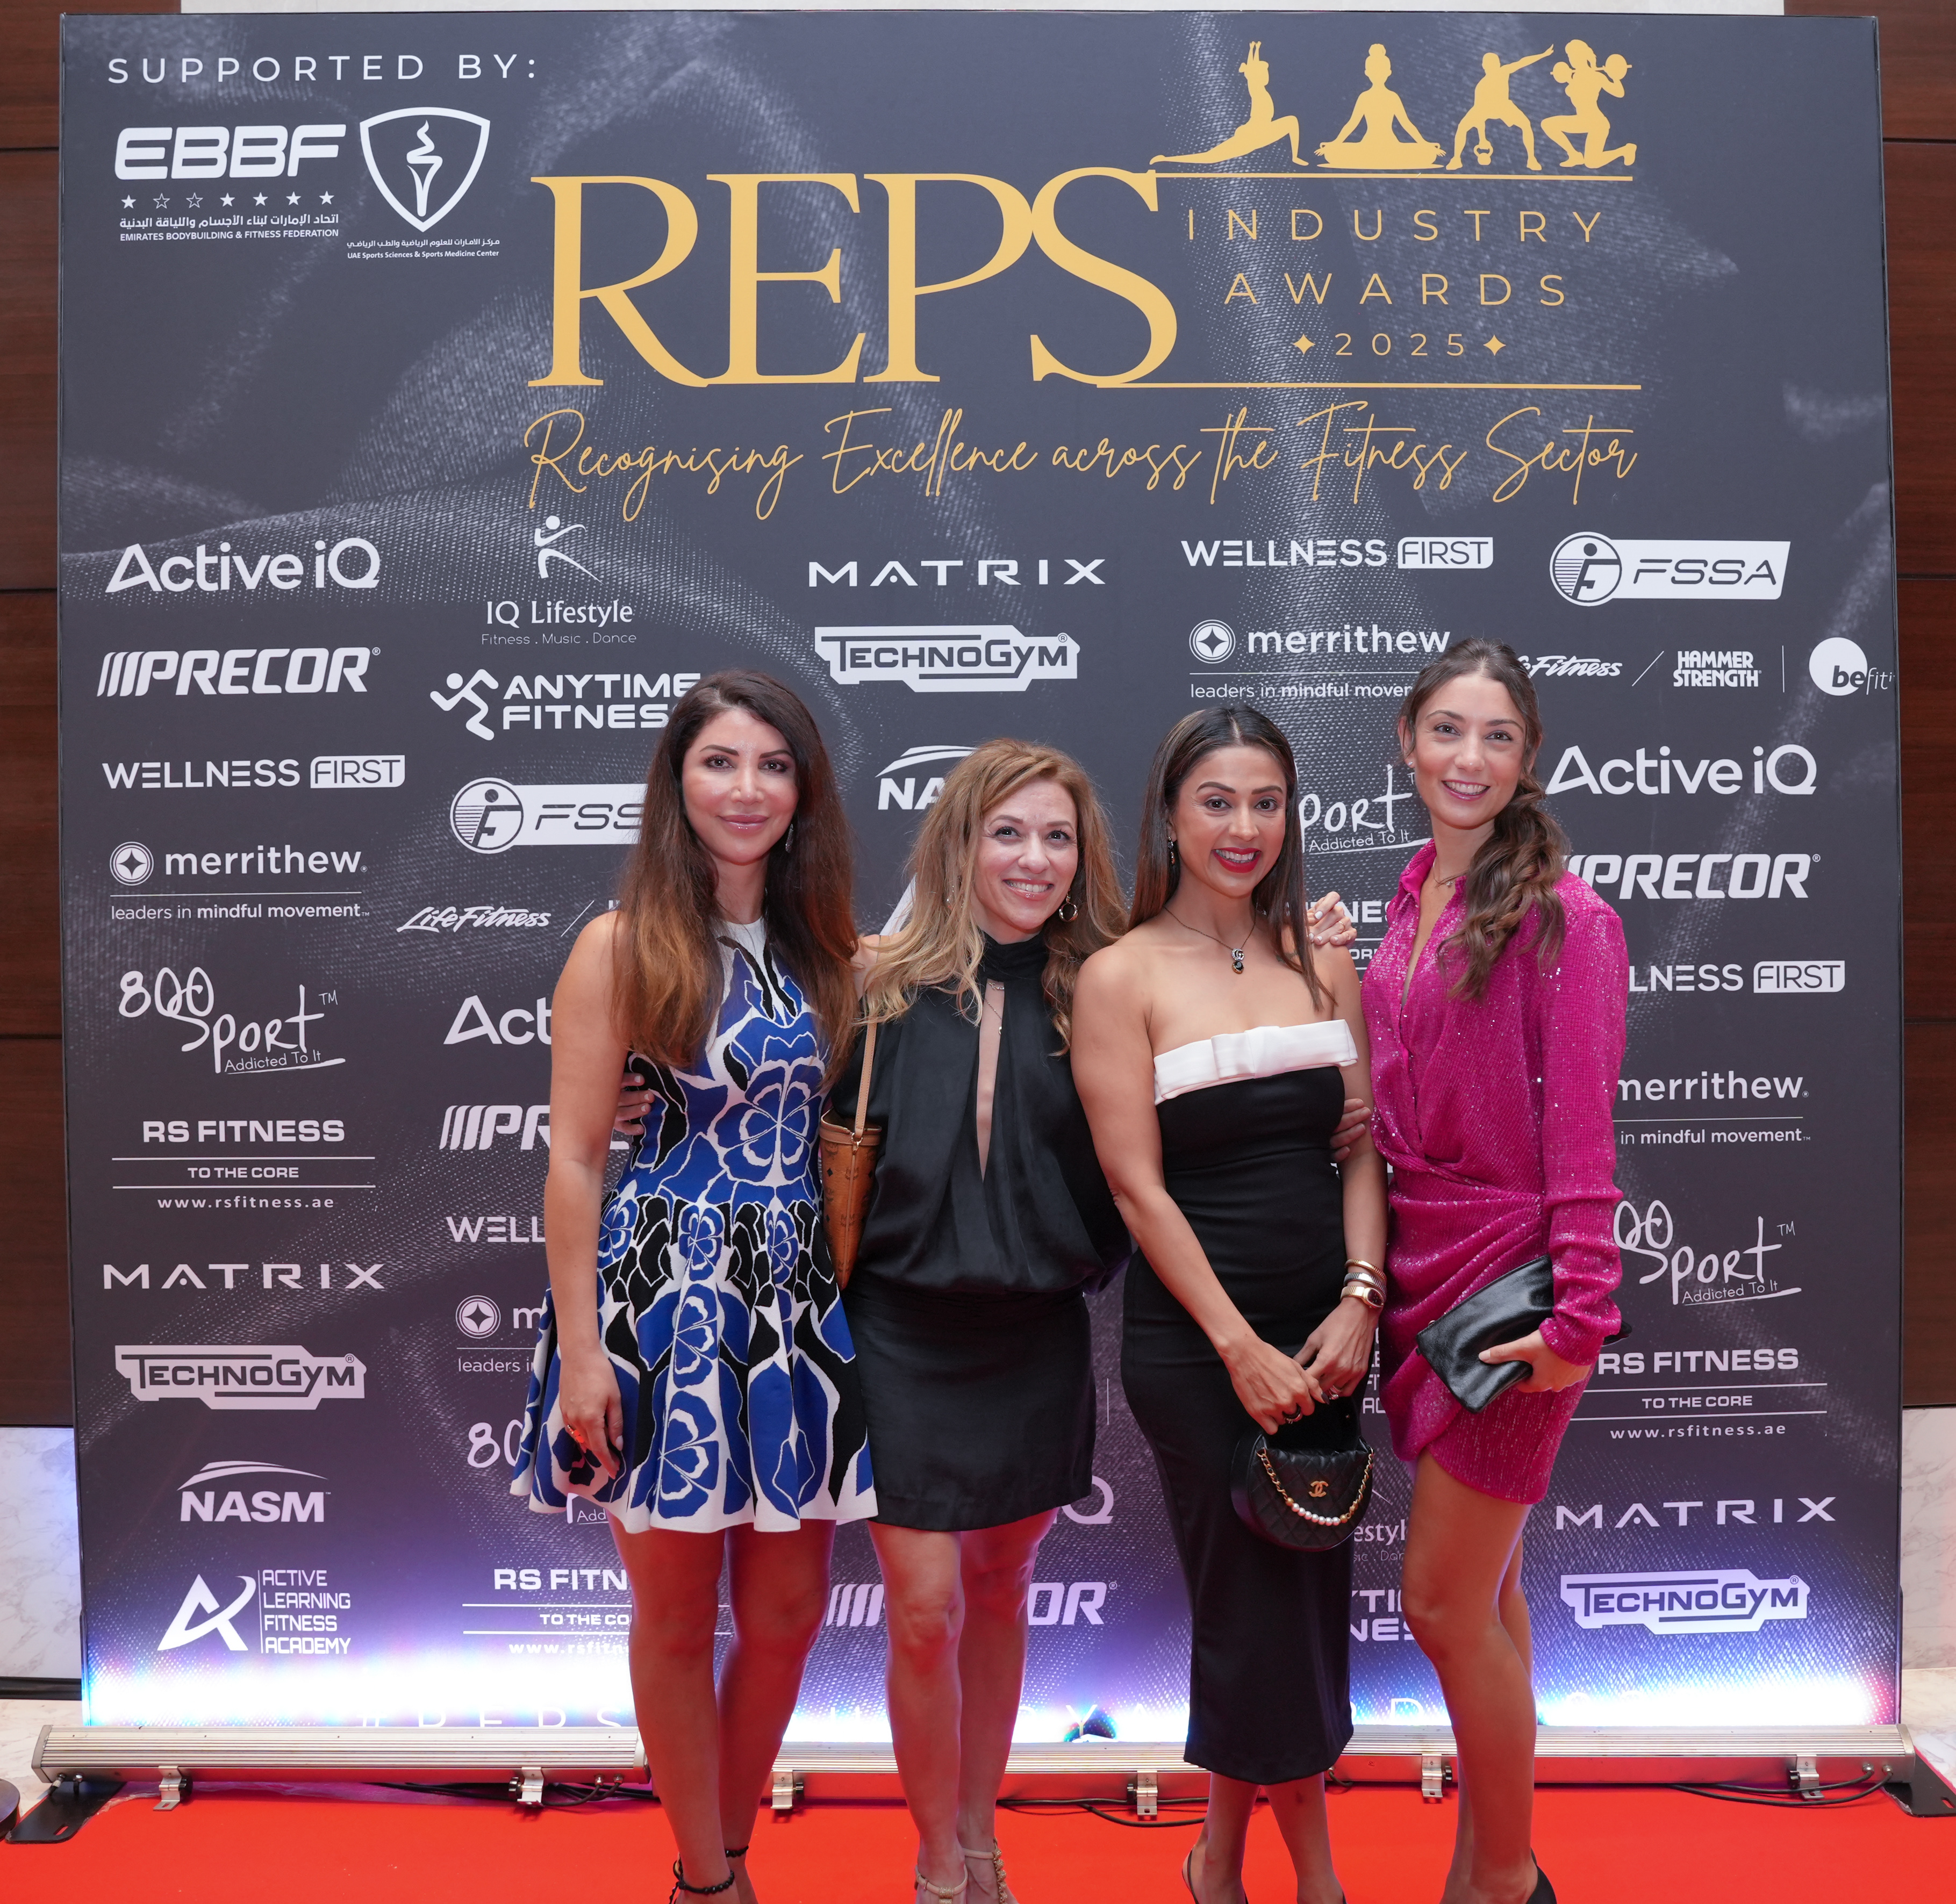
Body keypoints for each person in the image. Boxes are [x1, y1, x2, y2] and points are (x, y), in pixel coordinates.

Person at [511, 670, 875, 1904]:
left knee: (787, 1613)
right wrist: (581, 1356)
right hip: (659, 1302)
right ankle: (714, 1883)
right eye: (720, 761)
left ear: (803, 792)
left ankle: (715, 1859)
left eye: (773, 765)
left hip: (793, 1309)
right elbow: (574, 1158)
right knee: (672, 1616)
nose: (746, 788)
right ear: (676, 783)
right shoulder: (618, 946)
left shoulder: (830, 951)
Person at [1072, 706, 1387, 1904]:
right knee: (1254, 1602)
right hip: (1201, 1348)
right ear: (1169, 814)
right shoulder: (1119, 974)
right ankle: (1316, 1882)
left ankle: (1215, 1862)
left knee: (1296, 1596)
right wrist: (1237, 1344)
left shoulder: (1322, 958)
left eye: (1265, 802)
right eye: (1216, 801)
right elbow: (1134, 1187)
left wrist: (1360, 1299)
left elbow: (1359, 1147)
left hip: (1326, 1336)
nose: (1242, 826)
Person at [830, 740, 1129, 1904]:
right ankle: (936, 1857)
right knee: (921, 1610)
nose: (1033, 858)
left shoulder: (1103, 989)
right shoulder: (874, 982)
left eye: (1056, 836)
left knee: (1001, 1589)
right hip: (899, 1331)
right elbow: (750, 1090)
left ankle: (979, 1831)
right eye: (1007, 831)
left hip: (1033, 1333)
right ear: (959, 842)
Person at [1360, 642, 1626, 1904]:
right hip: (1419, 1271)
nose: (1468, 759)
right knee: (1491, 1593)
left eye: (1497, 736)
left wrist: (1579, 1315)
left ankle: (1506, 1880)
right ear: (1405, 742)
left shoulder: (1566, 916)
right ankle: (1481, 1866)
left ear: (1528, 759)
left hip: (1512, 1298)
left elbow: (1580, 1128)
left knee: (1438, 1604)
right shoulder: (1407, 899)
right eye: (1447, 731)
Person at [1153, 41, 1309, 168]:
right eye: (1263, 74)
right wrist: (1252, 51)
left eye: (1266, 73)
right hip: (1252, 134)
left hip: (1264, 131)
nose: (1266, 76)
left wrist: (1256, 50)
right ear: (1257, 76)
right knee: (1211, 157)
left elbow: (1253, 68)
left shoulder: (1262, 89)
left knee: (1292, 121)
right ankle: (1166, 159)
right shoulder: (1256, 88)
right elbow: (1252, 70)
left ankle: (1295, 157)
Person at [1316, 42, 1443, 170]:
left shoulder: (1393, 97)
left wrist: (1424, 143)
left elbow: (1406, 124)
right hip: (1368, 146)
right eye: (1374, 71)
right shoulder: (1365, 97)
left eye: (1381, 71)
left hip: (1391, 146)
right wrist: (1335, 143)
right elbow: (1352, 124)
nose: (1378, 75)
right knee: (1333, 152)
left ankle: (1379, 159)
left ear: (1389, 72)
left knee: (1427, 153)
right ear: (1367, 73)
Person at [1448, 48, 1554, 171]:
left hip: (1504, 106)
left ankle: (1532, 160)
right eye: (1489, 64)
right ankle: (1456, 159)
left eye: (1495, 63)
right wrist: (1482, 139)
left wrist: (1543, 55)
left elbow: (1522, 62)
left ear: (1498, 64)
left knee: (1526, 124)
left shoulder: (1504, 71)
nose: (1492, 66)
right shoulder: (1481, 87)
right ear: (1484, 66)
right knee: (1462, 127)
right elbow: (1479, 114)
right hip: (1486, 108)